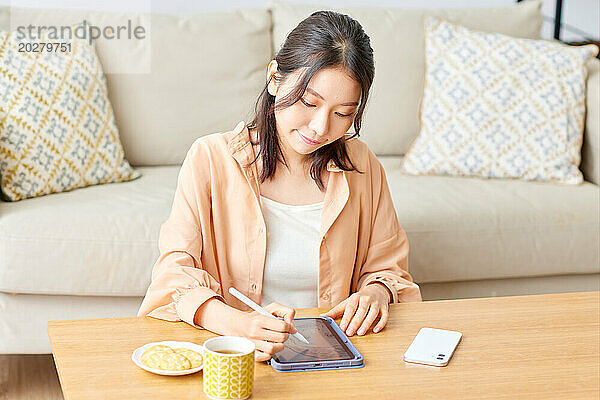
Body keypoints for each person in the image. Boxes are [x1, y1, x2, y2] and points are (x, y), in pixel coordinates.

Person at [138, 10, 421, 362]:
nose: (320, 127)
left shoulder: (362, 166)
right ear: (275, 78)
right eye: (309, 102)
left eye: (343, 113)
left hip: (331, 358)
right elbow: (173, 276)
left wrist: (377, 292)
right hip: (237, 355)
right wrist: (239, 325)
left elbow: (389, 269)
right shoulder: (210, 159)